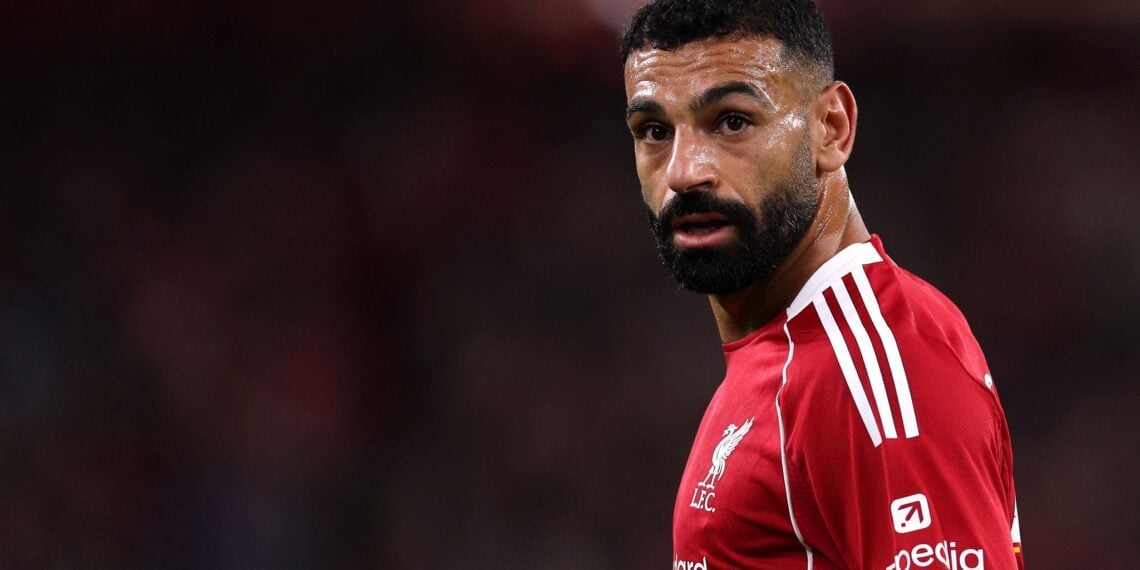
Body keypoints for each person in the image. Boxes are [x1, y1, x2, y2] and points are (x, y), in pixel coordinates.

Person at [619, 1, 1023, 568]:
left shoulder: (875, 369)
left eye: (732, 121)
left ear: (832, 128)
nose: (685, 172)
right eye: (655, 131)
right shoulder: (790, 354)